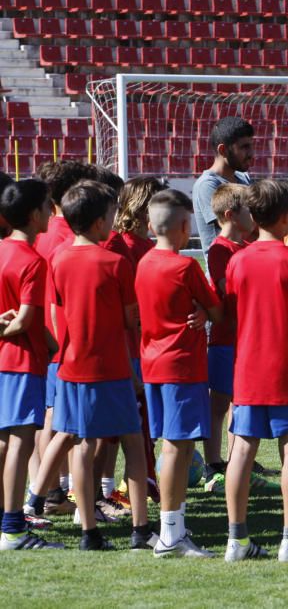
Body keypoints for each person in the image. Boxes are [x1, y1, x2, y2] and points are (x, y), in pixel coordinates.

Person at [223, 180, 288, 563]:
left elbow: (232, 310)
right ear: (287, 218)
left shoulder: (238, 260)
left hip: (248, 367)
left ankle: (236, 540)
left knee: (242, 451)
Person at [50, 180, 152, 551]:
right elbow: (130, 319)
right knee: (133, 444)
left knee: (81, 444)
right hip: (111, 367)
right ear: (97, 222)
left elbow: (57, 310)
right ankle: (140, 528)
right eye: (110, 214)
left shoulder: (58, 258)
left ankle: (88, 530)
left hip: (72, 366)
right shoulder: (115, 262)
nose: (114, 220)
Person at [134, 189, 222, 558]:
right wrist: (204, 312)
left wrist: (198, 311)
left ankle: (176, 528)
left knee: (177, 446)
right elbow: (217, 310)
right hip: (181, 364)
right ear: (186, 227)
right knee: (176, 446)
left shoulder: (143, 263)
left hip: (153, 362)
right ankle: (171, 533)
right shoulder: (184, 267)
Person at [26, 161, 98, 519]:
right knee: (57, 420)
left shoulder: (38, 233)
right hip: (61, 344)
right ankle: (51, 493)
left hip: (42, 340)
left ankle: (47, 492)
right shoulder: (64, 239)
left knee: (47, 419)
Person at [0, 179, 63, 550]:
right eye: (47, 206)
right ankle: (13, 528)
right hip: (22, 362)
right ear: (35, 214)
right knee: (21, 445)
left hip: (6, 362)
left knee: (5, 444)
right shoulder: (33, 261)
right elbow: (24, 322)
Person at [100, 175, 167, 509]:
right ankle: (123, 489)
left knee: (136, 423)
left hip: (145, 344)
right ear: (146, 206)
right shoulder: (118, 245)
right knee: (129, 424)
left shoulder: (150, 247)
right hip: (129, 346)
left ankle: (123, 488)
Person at [203, 184, 256, 494]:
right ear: (230, 215)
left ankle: (238, 464)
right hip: (225, 338)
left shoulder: (248, 246)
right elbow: (228, 290)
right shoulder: (220, 249)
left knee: (241, 402)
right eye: (248, 210)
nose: (254, 215)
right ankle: (214, 464)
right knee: (219, 404)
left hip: (247, 339)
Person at [192, 117, 254, 257]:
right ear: (223, 150)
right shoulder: (207, 185)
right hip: (224, 271)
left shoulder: (243, 178)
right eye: (244, 147)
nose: (251, 153)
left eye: (251, 145)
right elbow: (238, 230)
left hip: (246, 266)